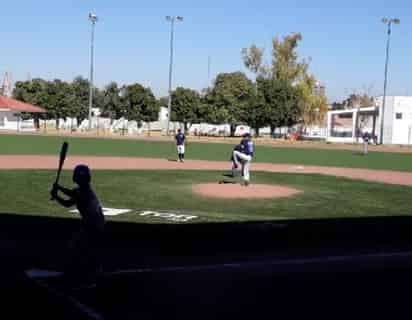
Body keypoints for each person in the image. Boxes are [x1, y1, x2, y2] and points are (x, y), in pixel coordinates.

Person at [50, 164, 105, 281]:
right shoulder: (84, 189)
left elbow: (68, 203)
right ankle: (92, 270)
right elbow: (71, 192)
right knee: (83, 246)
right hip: (95, 223)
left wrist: (56, 196)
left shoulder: (83, 193)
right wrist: (59, 188)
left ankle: (86, 272)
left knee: (78, 246)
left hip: (92, 225)